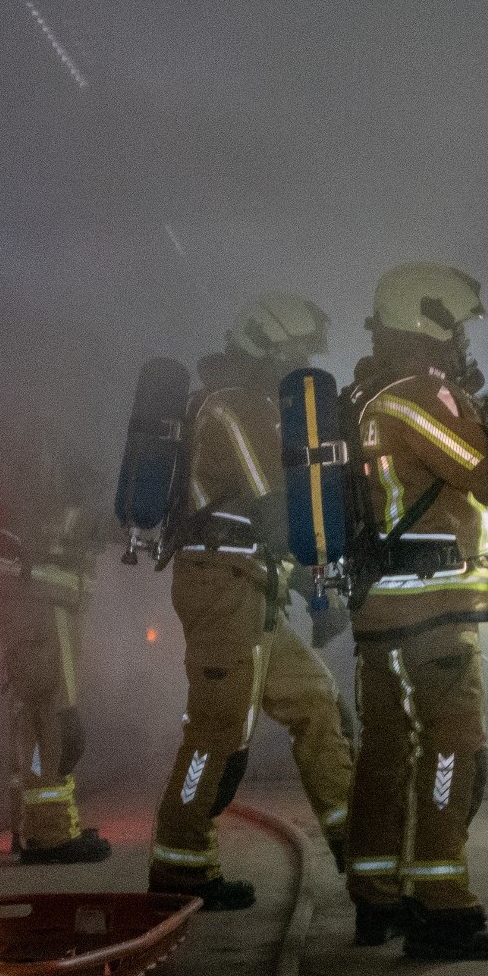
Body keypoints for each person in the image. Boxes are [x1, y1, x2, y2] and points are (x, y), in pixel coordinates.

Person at [145, 294, 358, 910]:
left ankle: (361, 851)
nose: (303, 366)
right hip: (223, 585)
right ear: (270, 347)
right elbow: (273, 505)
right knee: (217, 730)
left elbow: (277, 517)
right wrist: (321, 576)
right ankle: (179, 868)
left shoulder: (256, 405)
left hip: (251, 584)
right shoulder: (231, 408)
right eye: (297, 353)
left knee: (317, 704)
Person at [338, 263, 488, 959]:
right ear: (430, 321)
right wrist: (486, 419)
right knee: (452, 750)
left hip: (382, 613)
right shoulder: (419, 394)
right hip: (431, 613)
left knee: (385, 755)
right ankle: (442, 906)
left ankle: (376, 896)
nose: (464, 340)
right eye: (458, 325)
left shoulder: (368, 393)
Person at [0, 433, 111, 864]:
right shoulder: (47, 494)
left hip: (36, 610)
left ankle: (33, 830)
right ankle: (51, 835)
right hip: (46, 610)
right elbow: (24, 564)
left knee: (33, 718)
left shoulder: (21, 485)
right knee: (54, 719)